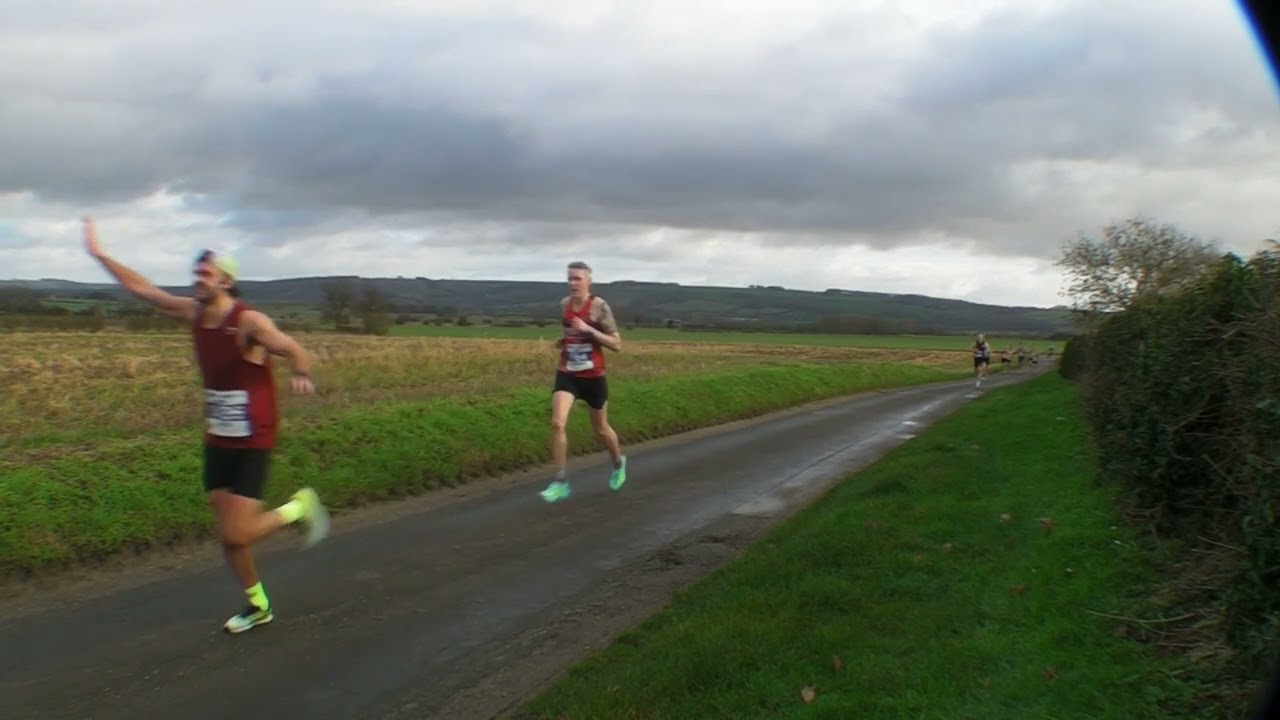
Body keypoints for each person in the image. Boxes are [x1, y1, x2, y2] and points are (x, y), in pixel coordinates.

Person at [82, 217, 330, 634]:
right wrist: (102, 255)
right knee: (228, 535)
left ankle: (298, 508)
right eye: (195, 272)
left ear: (227, 280)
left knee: (238, 534)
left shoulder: (248, 322)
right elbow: (145, 291)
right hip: (218, 438)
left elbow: (292, 348)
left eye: (205, 273)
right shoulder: (193, 313)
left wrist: (300, 371)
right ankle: (258, 606)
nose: (197, 279)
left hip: (254, 438)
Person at [539, 261, 627, 502]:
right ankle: (561, 481)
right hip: (568, 372)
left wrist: (589, 330)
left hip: (593, 376)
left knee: (601, 429)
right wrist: (564, 340)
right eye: (569, 279)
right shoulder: (564, 305)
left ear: (588, 281)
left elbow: (617, 344)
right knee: (557, 423)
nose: (572, 283)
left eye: (577, 279)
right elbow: (571, 332)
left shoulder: (599, 307)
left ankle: (618, 463)